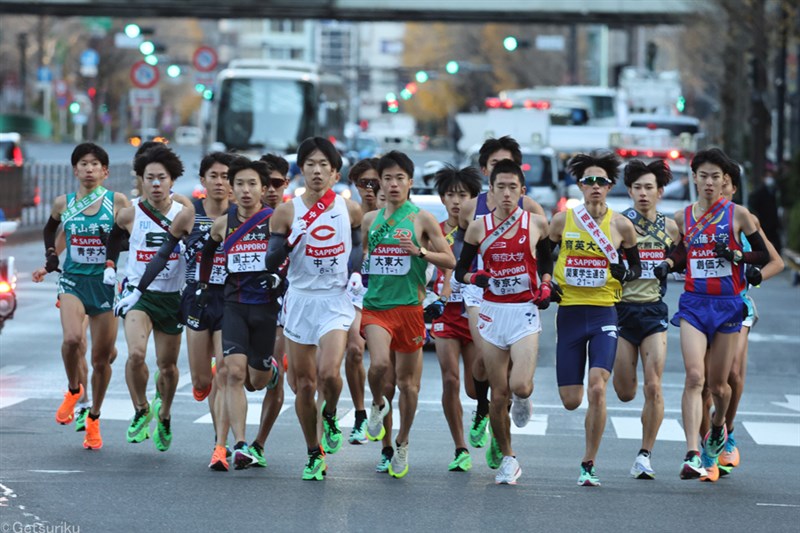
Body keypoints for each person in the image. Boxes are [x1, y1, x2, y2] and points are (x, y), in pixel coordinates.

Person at [654, 148, 769, 481]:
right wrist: (667, 264)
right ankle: (692, 453)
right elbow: (682, 251)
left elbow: (760, 251)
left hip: (728, 305)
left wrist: (736, 255)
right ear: (693, 178)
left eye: (715, 177)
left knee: (720, 387)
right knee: (694, 377)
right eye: (702, 176)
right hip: (693, 303)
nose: (708, 182)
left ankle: (718, 428)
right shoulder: (682, 217)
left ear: (724, 181)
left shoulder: (738, 215)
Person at [264, 137, 363, 480]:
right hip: (300, 300)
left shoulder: (349, 209)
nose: (317, 171)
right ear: (301, 170)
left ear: (336, 173)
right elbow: (271, 260)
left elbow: (358, 245)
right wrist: (292, 238)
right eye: (311, 164)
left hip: (334, 300)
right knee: (304, 385)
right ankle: (313, 452)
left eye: (324, 165)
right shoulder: (287, 211)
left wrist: (355, 272)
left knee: (328, 374)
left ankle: (332, 412)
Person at [357, 150, 455, 479]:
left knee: (407, 386)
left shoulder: (422, 219)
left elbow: (450, 260)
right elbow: (364, 260)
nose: (394, 184)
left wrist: (421, 252)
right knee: (381, 366)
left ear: (410, 182)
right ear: (381, 183)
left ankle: (401, 441)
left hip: (410, 310)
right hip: (376, 308)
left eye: (400, 178)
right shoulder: (370, 220)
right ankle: (375, 406)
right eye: (388, 178)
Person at [455, 159, 553, 484]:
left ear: (522, 191)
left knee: (519, 385)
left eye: (513, 187)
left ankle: (524, 398)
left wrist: (547, 285)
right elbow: (460, 271)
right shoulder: (478, 226)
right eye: (501, 188)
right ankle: (508, 458)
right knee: (498, 394)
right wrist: (476, 277)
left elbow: (547, 261)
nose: (507, 194)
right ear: (491, 192)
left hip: (524, 311)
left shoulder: (537, 223)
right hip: (492, 313)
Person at [549, 152, 641, 486]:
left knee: (598, 388)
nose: (595, 187)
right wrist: (548, 283)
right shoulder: (563, 220)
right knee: (572, 401)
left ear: (610, 185)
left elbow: (636, 268)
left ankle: (589, 462)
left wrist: (624, 272)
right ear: (580, 186)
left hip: (604, 311)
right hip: (570, 313)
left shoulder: (620, 225)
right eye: (589, 181)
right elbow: (543, 252)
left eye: (601, 181)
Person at [32, 142, 130, 450]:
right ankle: (74, 389)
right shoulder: (65, 203)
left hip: (103, 285)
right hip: (73, 281)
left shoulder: (117, 201)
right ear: (75, 170)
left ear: (105, 171)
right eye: (83, 164)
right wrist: (50, 260)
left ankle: (94, 418)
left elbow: (129, 236)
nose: (89, 169)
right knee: (73, 339)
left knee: (102, 359)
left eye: (95, 164)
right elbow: (54, 232)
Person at [697, 159, 784, 480]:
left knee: (732, 372)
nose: (719, 186)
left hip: (738, 305)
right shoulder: (695, 220)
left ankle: (727, 432)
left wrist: (755, 273)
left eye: (725, 182)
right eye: (711, 179)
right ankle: (708, 446)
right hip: (701, 305)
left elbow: (776, 262)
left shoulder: (744, 219)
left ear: (730, 186)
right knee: (705, 382)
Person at [196, 156, 282, 471]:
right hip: (233, 305)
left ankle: (269, 369)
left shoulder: (275, 219)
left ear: (262, 189)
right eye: (240, 184)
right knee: (232, 372)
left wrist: (279, 276)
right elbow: (207, 252)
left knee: (255, 381)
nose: (246, 191)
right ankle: (239, 445)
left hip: (265, 309)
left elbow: (289, 252)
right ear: (232, 189)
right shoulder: (223, 224)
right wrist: (204, 286)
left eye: (252, 184)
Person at [106, 145, 192, 453]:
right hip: (138, 297)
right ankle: (141, 408)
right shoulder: (130, 213)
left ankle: (164, 413)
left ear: (172, 181)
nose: (156, 184)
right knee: (136, 355)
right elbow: (114, 236)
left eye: (162, 178)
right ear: (141, 180)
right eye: (149, 178)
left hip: (171, 298)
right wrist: (110, 265)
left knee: (167, 367)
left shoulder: (184, 214)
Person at [611, 159, 680, 480]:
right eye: (637, 187)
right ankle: (630, 387)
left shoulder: (670, 228)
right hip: (622, 312)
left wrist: (672, 263)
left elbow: (683, 257)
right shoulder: (617, 224)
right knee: (625, 392)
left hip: (654, 312)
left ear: (660, 192)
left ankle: (644, 454)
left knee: (654, 386)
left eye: (649, 187)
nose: (642, 193)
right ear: (629, 190)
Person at [175, 152, 233, 464]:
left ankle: (220, 446)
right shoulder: (189, 214)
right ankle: (204, 381)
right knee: (202, 381)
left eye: (226, 176)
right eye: (215, 176)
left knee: (225, 372)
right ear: (203, 181)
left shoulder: (242, 215)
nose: (220, 182)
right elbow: (165, 253)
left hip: (230, 299)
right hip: (197, 298)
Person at [429, 164, 482, 471]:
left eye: (462, 194)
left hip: (473, 313)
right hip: (444, 314)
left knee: (475, 386)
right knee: (450, 379)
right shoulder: (433, 230)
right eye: (450, 194)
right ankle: (460, 447)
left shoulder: (480, 229)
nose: (456, 201)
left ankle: (483, 410)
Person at [248, 153, 291, 467]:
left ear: (286, 184)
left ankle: (258, 445)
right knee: (248, 380)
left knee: (272, 376)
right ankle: (222, 443)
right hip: (244, 304)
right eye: (267, 185)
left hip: (284, 307)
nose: (272, 191)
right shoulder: (242, 217)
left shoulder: (296, 217)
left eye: (278, 184)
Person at [344, 157, 380, 444]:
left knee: (385, 366)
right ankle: (359, 414)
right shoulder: (345, 216)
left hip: (389, 295)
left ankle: (381, 409)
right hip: (354, 294)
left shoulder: (398, 216)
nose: (369, 189)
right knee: (355, 350)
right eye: (362, 183)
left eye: (375, 183)